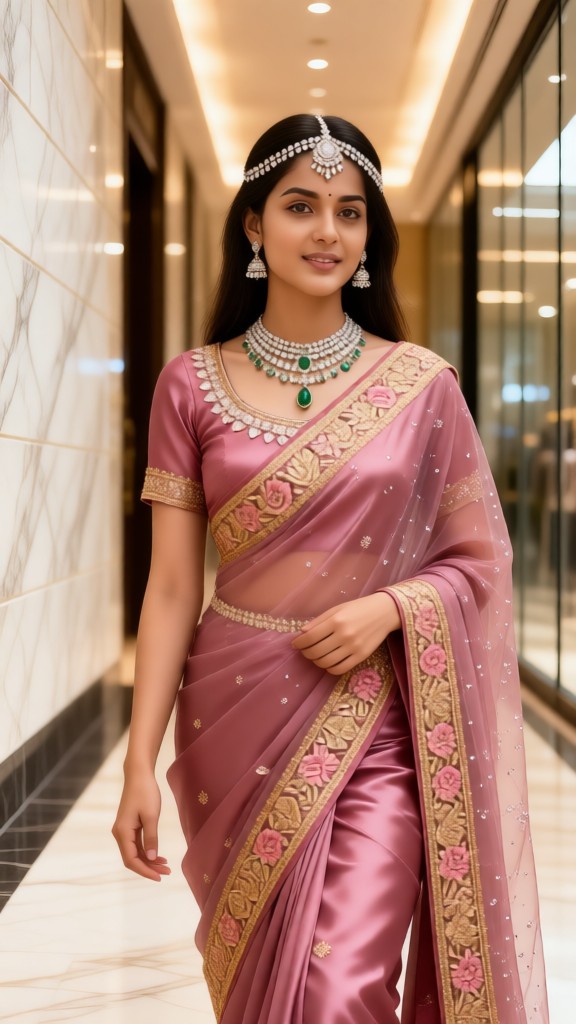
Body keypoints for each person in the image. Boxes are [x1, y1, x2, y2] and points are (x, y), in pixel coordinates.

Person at [112, 114, 549, 1024]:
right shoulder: (191, 385)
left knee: (336, 983)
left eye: (350, 213)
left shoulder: (421, 385)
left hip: (377, 717)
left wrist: (394, 608)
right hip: (229, 718)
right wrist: (137, 763)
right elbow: (168, 589)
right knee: (259, 981)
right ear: (253, 226)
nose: (327, 233)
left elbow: (479, 561)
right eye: (301, 206)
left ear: (369, 235)